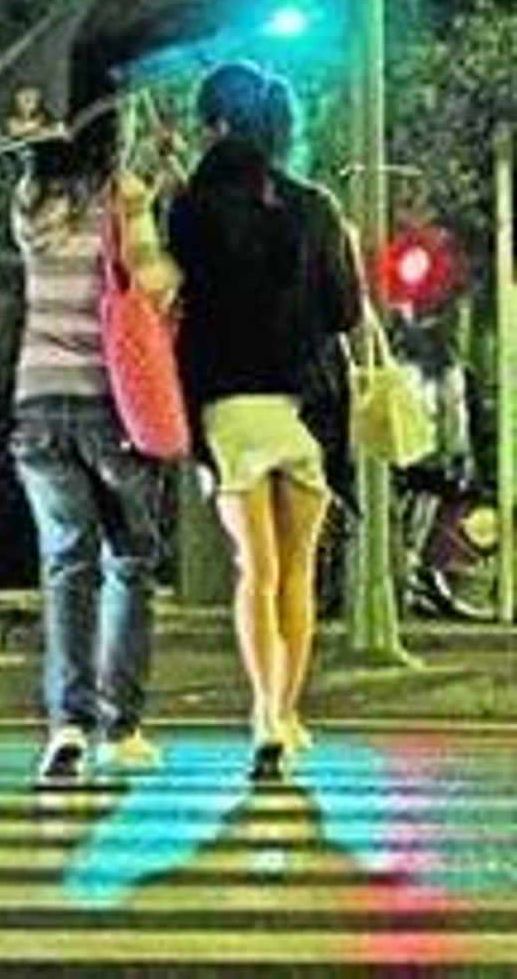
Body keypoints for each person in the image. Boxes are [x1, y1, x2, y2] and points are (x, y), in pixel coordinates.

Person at [169, 61, 365, 784]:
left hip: (231, 404)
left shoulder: (191, 206)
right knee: (298, 573)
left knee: (256, 567)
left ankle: (262, 714)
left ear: (216, 125)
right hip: (309, 406)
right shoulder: (316, 207)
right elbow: (344, 313)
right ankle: (285, 709)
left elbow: (178, 283)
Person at [7, 108, 171, 785]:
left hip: (37, 401)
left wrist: (147, 187)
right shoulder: (119, 196)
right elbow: (153, 282)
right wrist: (152, 196)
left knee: (67, 564)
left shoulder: (29, 201)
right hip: (109, 402)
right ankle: (121, 725)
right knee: (130, 559)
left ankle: (66, 724)